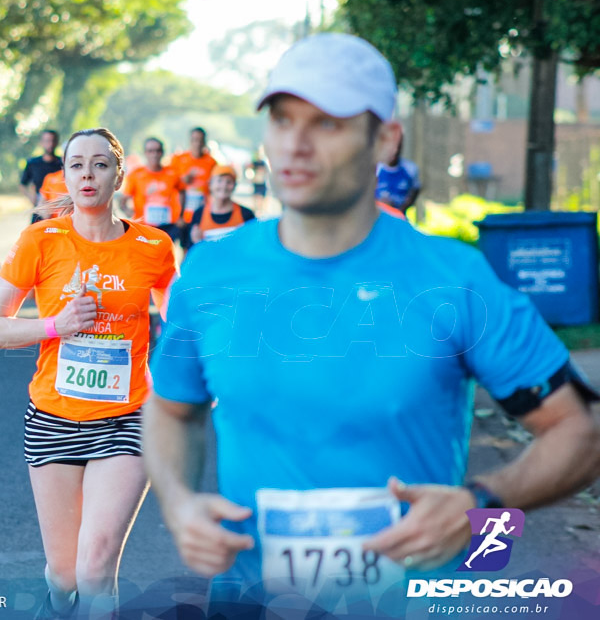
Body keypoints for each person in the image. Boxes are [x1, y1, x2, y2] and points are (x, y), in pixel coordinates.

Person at [144, 33, 600, 609]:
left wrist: (482, 501)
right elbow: (170, 409)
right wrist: (179, 501)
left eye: (327, 124)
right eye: (282, 121)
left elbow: (580, 432)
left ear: (384, 140)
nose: (296, 145)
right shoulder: (211, 272)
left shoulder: (454, 280)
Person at [0, 128, 177, 617]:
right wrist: (56, 324)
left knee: (95, 568)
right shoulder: (39, 240)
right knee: (65, 575)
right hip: (53, 416)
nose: (87, 174)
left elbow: (183, 323)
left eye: (99, 164)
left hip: (128, 417)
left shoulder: (153, 246)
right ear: (63, 176)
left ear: (118, 174)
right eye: (76, 165)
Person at [117, 137, 185, 243]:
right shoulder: (136, 175)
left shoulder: (172, 173)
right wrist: (128, 212)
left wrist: (181, 215)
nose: (154, 154)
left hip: (168, 226)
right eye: (150, 151)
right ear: (145, 153)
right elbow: (123, 200)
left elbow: (182, 191)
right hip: (144, 227)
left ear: (162, 152)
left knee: (167, 257)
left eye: (158, 150)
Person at [184, 165, 254, 250]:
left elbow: (252, 247)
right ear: (210, 184)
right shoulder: (199, 214)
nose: (223, 186)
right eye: (219, 181)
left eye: (229, 182)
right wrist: (197, 243)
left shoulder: (246, 215)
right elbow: (191, 254)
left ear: (234, 186)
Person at [169, 127, 218, 232]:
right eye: (195, 140)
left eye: (201, 140)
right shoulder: (178, 159)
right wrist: (182, 179)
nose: (198, 143)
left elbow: (215, 187)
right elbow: (168, 183)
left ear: (205, 142)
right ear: (190, 141)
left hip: (202, 212)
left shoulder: (211, 162)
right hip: (181, 213)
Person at [21, 129, 63, 224]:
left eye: (53, 140)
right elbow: (22, 184)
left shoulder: (62, 164)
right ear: (41, 143)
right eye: (47, 141)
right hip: (40, 206)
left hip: (58, 209)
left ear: (57, 142)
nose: (50, 144)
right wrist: (31, 198)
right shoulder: (33, 163)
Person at [376, 133, 420, 214]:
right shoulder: (376, 168)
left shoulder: (410, 169)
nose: (395, 150)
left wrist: (401, 209)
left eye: (398, 146)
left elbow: (415, 190)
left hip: (399, 216)